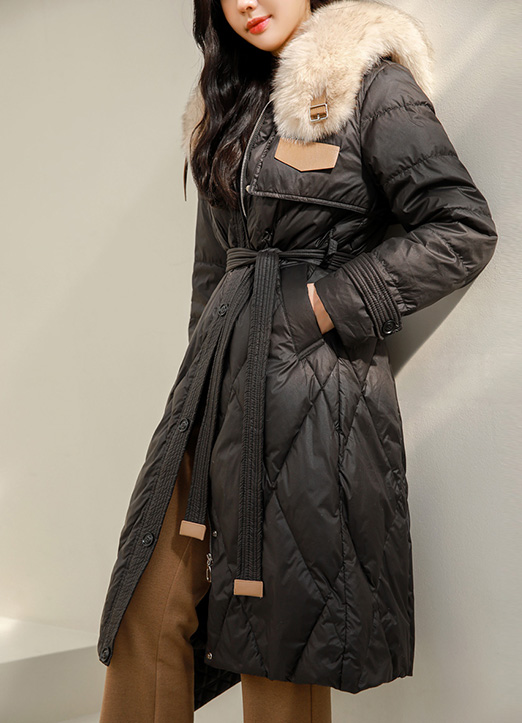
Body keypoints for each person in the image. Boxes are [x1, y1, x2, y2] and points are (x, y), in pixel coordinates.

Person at [97, 1, 498, 721]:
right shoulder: (222, 101)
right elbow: (213, 269)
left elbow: (461, 226)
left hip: (311, 393)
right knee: (145, 613)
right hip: (216, 386)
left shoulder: (367, 80)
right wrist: (200, 379)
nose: (248, 3)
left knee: (278, 639)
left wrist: (325, 306)